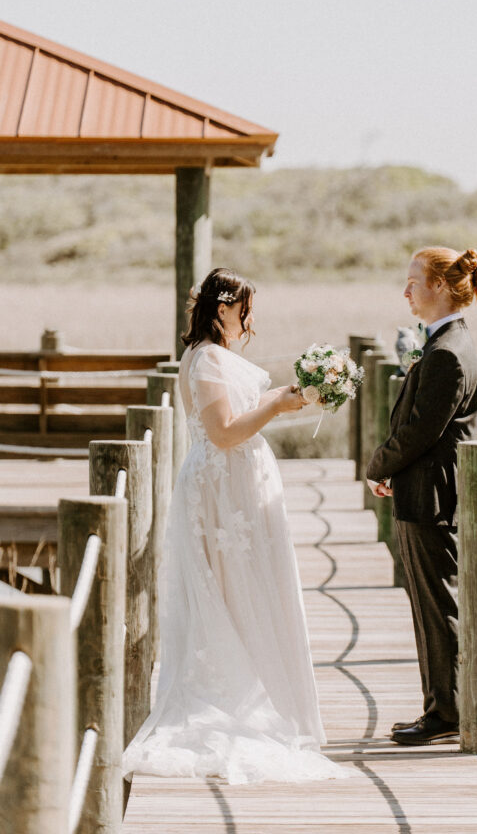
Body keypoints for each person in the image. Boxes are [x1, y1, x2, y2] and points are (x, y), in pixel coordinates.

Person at [122, 268, 345, 783]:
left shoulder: (213, 357)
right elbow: (222, 433)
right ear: (223, 309)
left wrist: (287, 398)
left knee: (250, 591)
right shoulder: (205, 359)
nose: (250, 319)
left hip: (235, 487)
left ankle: (260, 686)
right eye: (245, 308)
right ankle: (232, 697)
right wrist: (276, 403)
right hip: (222, 490)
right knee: (228, 589)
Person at [366, 247, 477, 746]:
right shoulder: (444, 343)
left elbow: (420, 432)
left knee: (438, 606)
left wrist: (378, 464)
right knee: (428, 603)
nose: (406, 291)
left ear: (439, 285)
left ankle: (447, 713)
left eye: (414, 281)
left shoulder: (446, 353)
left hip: (432, 497)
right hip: (423, 489)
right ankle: (439, 706)